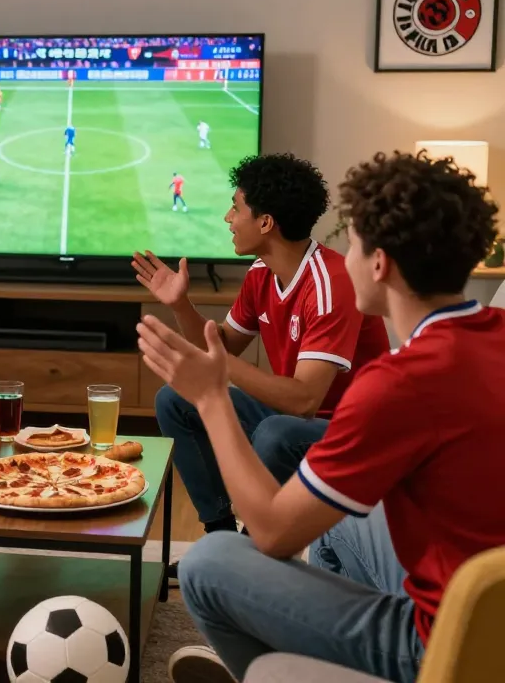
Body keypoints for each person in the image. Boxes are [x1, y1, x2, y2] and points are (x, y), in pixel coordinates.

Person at [139, 150, 505, 683]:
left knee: (207, 562)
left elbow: (272, 536)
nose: (343, 254)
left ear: (379, 265)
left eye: (352, 242)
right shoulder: (494, 329)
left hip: (446, 641)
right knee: (336, 515)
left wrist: (214, 397)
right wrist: (185, 314)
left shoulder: (397, 383)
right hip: (490, 611)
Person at [133, 153, 389, 584]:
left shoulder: (330, 284)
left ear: (266, 222)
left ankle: (253, 556)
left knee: (276, 432)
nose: (228, 217)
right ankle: (220, 543)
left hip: (349, 431)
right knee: (175, 400)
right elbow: (223, 346)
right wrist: (180, 304)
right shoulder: (261, 274)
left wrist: (215, 367)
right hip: (294, 415)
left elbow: (307, 400)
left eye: (236, 207)